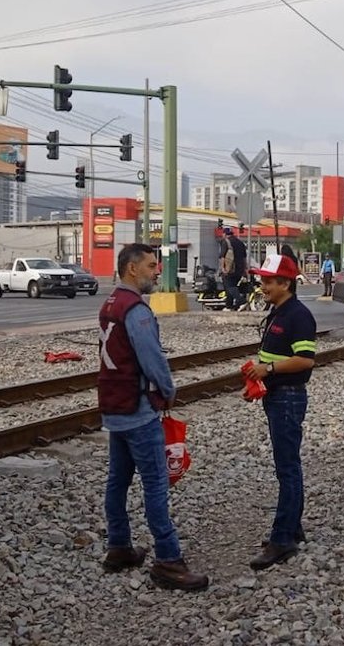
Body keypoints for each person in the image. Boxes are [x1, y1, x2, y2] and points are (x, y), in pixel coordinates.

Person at [98, 243, 208, 591]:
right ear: (132, 269)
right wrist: (169, 389)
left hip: (115, 406)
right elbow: (152, 360)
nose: (156, 271)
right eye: (150, 265)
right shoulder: (137, 311)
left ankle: (119, 546)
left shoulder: (110, 303)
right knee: (156, 484)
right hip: (138, 409)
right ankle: (168, 560)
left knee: (117, 481)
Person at [244, 253, 317, 570]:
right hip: (278, 396)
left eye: (267, 282)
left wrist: (268, 368)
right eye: (262, 281)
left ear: (285, 283)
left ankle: (282, 539)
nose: (262, 287)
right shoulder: (280, 311)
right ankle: (292, 527)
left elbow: (305, 360)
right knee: (288, 466)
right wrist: (259, 374)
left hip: (288, 398)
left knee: (287, 468)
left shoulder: (298, 316)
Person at [222, 227, 248, 310]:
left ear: (225, 234)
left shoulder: (226, 242)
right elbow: (244, 258)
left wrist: (223, 268)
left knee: (229, 286)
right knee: (232, 286)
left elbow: (222, 256)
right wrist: (245, 269)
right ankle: (229, 306)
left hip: (230, 269)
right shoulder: (240, 243)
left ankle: (241, 301)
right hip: (240, 269)